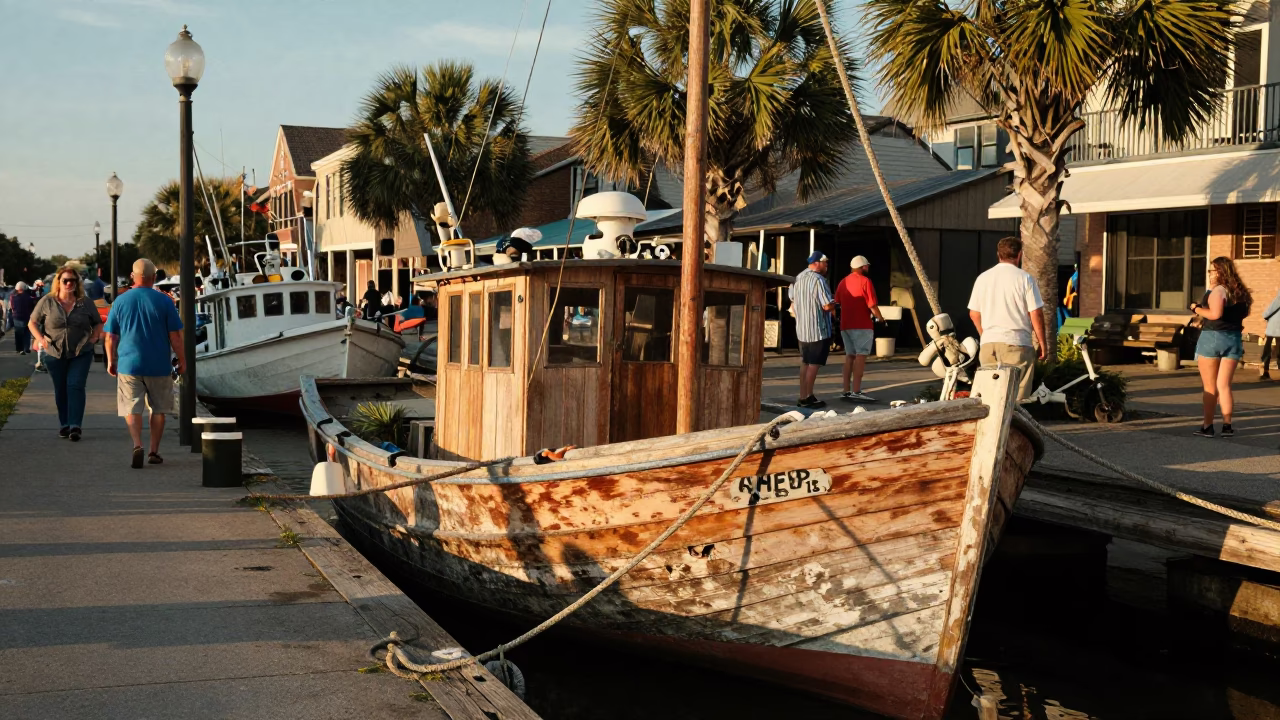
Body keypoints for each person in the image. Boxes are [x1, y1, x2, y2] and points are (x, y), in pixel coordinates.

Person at [104, 259, 185, 468]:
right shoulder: (165, 301)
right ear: (154, 277)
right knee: (158, 410)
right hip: (159, 365)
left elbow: (110, 336)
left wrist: (111, 360)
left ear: (133, 276)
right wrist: (182, 360)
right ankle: (154, 451)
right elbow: (175, 336)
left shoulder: (120, 302)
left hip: (129, 364)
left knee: (132, 408)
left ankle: (137, 444)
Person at [28, 264, 103, 441]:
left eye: (73, 281)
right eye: (65, 280)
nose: (69, 284)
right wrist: (40, 338)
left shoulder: (85, 303)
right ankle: (65, 424)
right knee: (61, 389)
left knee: (75, 385)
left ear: (77, 283)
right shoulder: (47, 301)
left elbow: (98, 322)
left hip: (81, 352)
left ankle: (75, 425)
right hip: (54, 352)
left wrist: (94, 338)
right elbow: (32, 322)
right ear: (59, 282)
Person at [967, 236, 1047, 401]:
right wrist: (1043, 343)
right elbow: (1035, 313)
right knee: (1016, 400)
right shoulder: (1025, 278)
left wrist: (985, 334)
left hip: (989, 345)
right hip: (1016, 343)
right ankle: (1011, 427)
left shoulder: (983, 278)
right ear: (1019, 255)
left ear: (998, 254)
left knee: (990, 397)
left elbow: (974, 313)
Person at [1190, 257, 1252, 438]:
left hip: (1213, 338)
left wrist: (1196, 309)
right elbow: (1242, 314)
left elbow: (1215, 314)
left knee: (1210, 387)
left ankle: (1207, 427)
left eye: (1212, 271)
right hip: (1234, 339)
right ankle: (1227, 426)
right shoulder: (1241, 293)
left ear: (1220, 271)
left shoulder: (1218, 291)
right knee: (1224, 385)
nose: (1209, 274)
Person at [835, 255, 884, 402]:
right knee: (861, 356)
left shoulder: (842, 282)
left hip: (845, 325)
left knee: (849, 356)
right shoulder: (865, 281)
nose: (868, 268)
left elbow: (836, 302)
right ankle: (857, 390)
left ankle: (846, 390)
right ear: (862, 267)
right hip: (862, 325)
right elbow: (872, 305)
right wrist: (880, 318)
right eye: (866, 266)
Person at [789, 251, 835, 408]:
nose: (826, 266)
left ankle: (803, 395)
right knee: (814, 364)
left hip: (802, 329)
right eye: (825, 263)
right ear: (817, 263)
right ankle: (807, 397)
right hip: (818, 329)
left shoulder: (798, 278)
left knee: (805, 362)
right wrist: (836, 304)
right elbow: (827, 305)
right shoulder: (818, 280)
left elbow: (792, 299)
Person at [9, 281, 36, 354]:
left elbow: (12, 307)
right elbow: (33, 303)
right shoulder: (27, 297)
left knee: (18, 334)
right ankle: (26, 348)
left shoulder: (13, 297)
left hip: (17, 317)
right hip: (27, 317)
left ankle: (19, 349)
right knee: (27, 333)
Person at [1260, 287, 1280, 381]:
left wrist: (1265, 315)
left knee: (1268, 347)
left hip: (1275, 325)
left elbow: (1273, 307)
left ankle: (1266, 371)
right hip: (1276, 326)